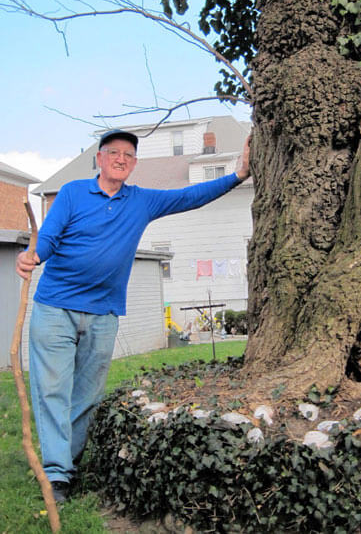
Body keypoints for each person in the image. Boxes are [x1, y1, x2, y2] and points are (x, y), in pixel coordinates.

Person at [16, 129, 251, 503]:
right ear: (100, 158)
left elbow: (190, 196)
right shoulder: (74, 193)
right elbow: (49, 236)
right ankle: (57, 476)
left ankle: (68, 462)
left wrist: (238, 175)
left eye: (129, 154)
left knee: (88, 395)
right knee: (52, 391)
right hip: (55, 307)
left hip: (103, 313)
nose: (121, 158)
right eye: (114, 152)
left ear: (134, 163)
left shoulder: (140, 201)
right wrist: (34, 256)